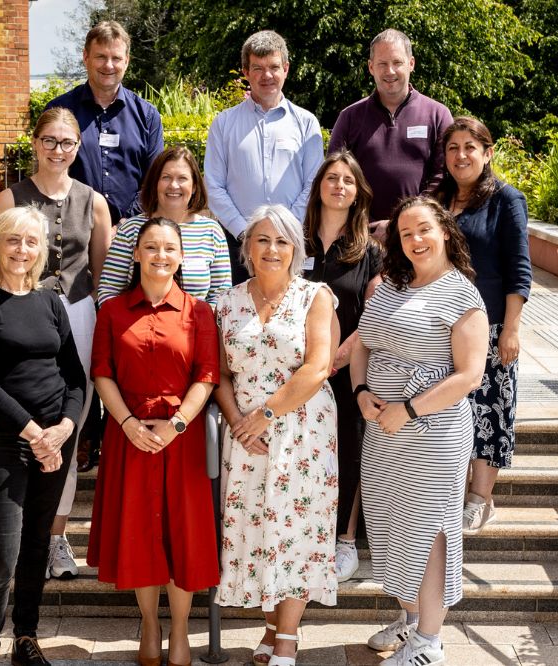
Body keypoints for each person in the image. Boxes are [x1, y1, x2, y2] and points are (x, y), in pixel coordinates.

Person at [351, 197, 488, 666]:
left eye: (424, 229)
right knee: (392, 523)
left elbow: (469, 375)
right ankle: (411, 618)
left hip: (434, 432)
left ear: (445, 231)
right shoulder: (390, 285)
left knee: (429, 530)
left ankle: (430, 641)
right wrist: (361, 392)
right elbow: (361, 345)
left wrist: (408, 409)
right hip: (383, 429)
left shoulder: (463, 296)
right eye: (406, 233)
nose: (415, 240)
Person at [0, 106, 112, 581]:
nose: (58, 150)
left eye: (68, 143)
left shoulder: (94, 202)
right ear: (34, 143)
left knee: (69, 428)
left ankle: (55, 538)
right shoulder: (9, 198)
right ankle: (17, 535)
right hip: (21, 317)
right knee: (22, 425)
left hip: (78, 318)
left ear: (78, 148)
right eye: (50, 141)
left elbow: (103, 279)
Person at [87, 217, 220, 666]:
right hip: (130, 436)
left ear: (181, 257)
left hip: (181, 440)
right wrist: (126, 424)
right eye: (151, 247)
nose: (161, 256)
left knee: (183, 536)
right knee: (141, 534)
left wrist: (177, 424)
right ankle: (149, 623)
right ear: (137, 254)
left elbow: (206, 376)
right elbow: (102, 372)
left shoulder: (199, 313)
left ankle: (181, 628)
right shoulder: (112, 311)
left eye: (169, 248)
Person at [0, 206, 86, 666]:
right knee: (3, 556)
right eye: (13, 240)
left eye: (31, 242)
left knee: (37, 547)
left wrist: (65, 428)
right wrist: (35, 435)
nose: (22, 250)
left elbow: (75, 377)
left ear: (41, 251)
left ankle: (26, 639)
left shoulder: (52, 301)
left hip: (56, 438)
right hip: (8, 442)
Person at [215, 204, 339, 666]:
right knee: (258, 529)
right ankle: (270, 630)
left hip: (302, 431)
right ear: (247, 246)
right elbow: (222, 375)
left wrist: (266, 414)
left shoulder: (315, 296)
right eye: (262, 239)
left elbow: (318, 366)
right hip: (246, 434)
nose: (272, 249)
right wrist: (238, 423)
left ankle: (287, 638)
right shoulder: (227, 302)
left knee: (298, 529)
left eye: (282, 241)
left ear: (296, 250)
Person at [432, 116, 532, 534]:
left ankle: (480, 498)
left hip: (489, 327)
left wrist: (511, 328)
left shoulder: (506, 200)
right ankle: (452, 492)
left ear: (487, 153)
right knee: (453, 410)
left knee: (490, 410)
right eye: (453, 148)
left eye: (470, 147)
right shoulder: (437, 200)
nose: (461, 156)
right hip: (442, 326)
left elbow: (519, 269)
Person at [301, 150, 382, 582]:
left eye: (347, 181)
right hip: (296, 372)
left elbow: (375, 313)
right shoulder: (295, 242)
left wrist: (335, 358)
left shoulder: (370, 251)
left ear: (357, 193)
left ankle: (345, 539)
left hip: (346, 370)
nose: (338, 186)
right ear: (318, 187)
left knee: (349, 450)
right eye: (331, 178)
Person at [204, 30, 324, 283]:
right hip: (236, 246)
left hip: (290, 242)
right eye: (257, 68)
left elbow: (313, 184)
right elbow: (213, 186)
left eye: (274, 67)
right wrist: (245, 233)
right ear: (246, 72)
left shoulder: (306, 123)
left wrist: (282, 231)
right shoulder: (224, 124)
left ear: (286, 69)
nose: (267, 75)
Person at [328, 29, 453, 228]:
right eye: (382, 64)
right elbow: (334, 177)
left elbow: (442, 176)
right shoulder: (350, 117)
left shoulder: (438, 115)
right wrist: (367, 225)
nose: (390, 71)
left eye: (397, 63)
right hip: (362, 235)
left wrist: (404, 223)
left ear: (411, 63)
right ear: (371, 67)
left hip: (419, 234)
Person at [45, 20, 164, 225]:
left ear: (126, 61)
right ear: (86, 57)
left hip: (133, 234)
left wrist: (125, 223)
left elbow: (154, 181)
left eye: (116, 58)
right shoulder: (59, 111)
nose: (108, 65)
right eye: (101, 56)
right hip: (72, 229)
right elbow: (48, 173)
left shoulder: (148, 116)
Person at [98, 145, 232, 306]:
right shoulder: (131, 229)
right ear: (155, 183)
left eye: (182, 178)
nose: (174, 185)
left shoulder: (211, 232)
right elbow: (109, 290)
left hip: (194, 328)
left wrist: (199, 326)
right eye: (166, 177)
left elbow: (221, 296)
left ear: (195, 186)